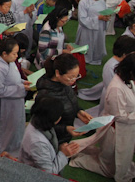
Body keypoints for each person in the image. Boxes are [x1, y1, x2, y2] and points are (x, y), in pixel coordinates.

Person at [69, 53, 135, 182]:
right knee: (109, 167)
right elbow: (119, 116)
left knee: (122, 158)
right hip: (116, 130)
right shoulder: (116, 88)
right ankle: (79, 160)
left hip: (126, 128)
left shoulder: (127, 80)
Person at [36, 54, 92, 144]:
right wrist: (65, 129)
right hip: (52, 140)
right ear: (58, 73)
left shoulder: (65, 84)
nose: (74, 80)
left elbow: (69, 101)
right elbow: (43, 125)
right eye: (71, 77)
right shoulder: (45, 95)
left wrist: (78, 111)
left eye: (76, 76)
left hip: (64, 137)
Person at [19, 96, 79, 174]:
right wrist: (63, 154)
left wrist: (65, 129)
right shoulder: (38, 143)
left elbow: (50, 128)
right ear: (56, 119)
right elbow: (49, 172)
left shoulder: (38, 119)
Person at [75, 0, 110, 65]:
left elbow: (105, 10)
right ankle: (85, 59)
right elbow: (82, 19)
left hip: (100, 27)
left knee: (98, 44)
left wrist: (106, 17)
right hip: (87, 29)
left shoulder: (102, 0)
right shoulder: (84, 2)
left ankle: (97, 58)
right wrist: (98, 18)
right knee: (87, 45)